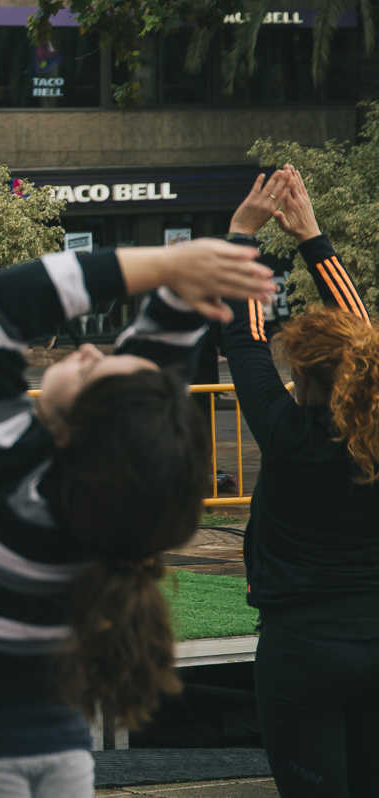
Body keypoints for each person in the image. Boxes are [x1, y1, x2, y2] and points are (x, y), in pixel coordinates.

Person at [0, 239, 276, 798]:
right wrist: (203, 268)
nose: (91, 352)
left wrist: (169, 262)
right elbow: (147, 369)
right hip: (52, 752)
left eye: (99, 366)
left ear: (81, 428)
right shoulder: (97, 498)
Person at [222, 166, 379, 797]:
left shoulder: (286, 435)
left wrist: (242, 235)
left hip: (301, 652)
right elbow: (364, 338)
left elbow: (245, 339)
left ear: (303, 380)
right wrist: (313, 237)